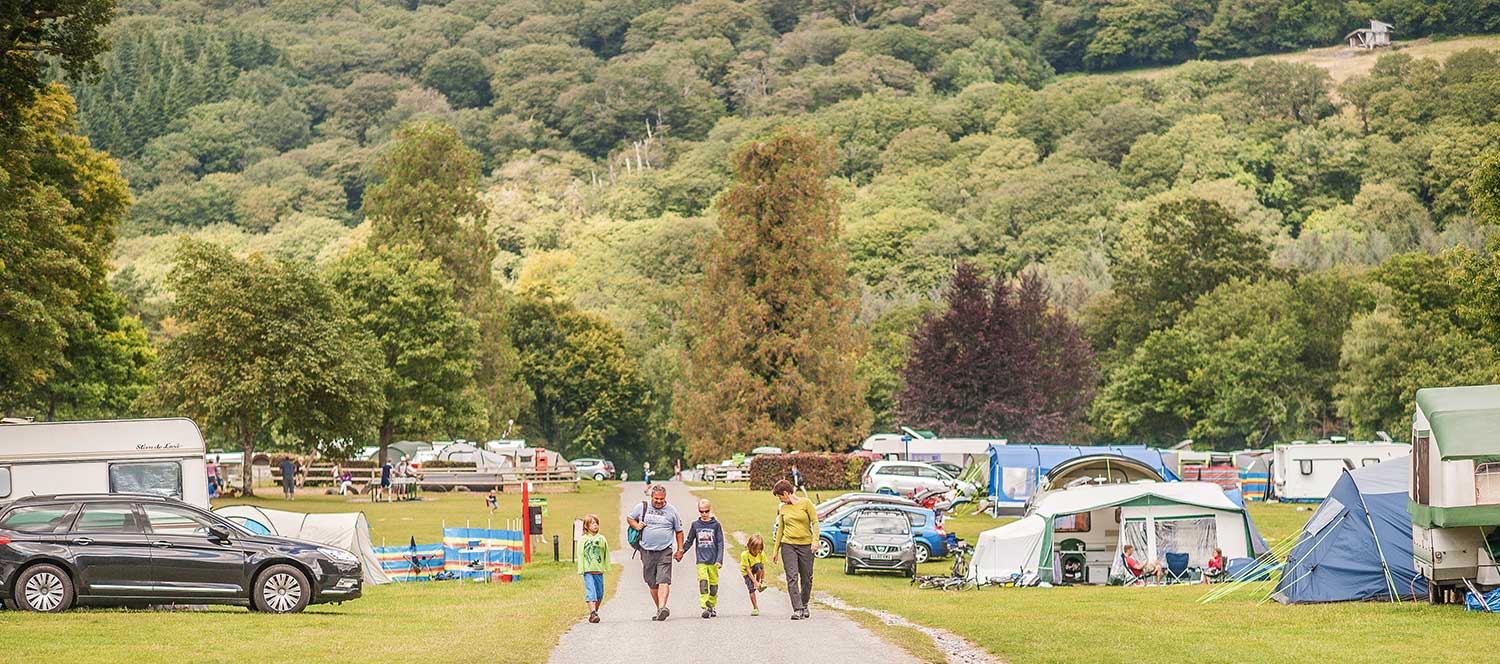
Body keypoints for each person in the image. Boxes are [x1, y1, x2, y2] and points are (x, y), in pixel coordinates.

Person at [626, 484, 684, 621]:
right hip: (646, 550)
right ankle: (659, 609)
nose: (659, 501)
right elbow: (630, 518)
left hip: (665, 550)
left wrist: (680, 549)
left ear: (665, 498)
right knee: (652, 582)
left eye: (662, 499)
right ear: (652, 496)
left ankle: (663, 607)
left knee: (664, 579)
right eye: (656, 498)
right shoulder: (642, 507)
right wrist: (636, 525)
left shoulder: (672, 511)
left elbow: (679, 531)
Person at [770, 479, 817, 620]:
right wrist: (775, 550)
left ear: (786, 493)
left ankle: (804, 603)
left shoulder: (806, 503)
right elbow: (780, 530)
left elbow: (815, 522)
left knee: (807, 578)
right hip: (788, 545)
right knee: (792, 577)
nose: (781, 500)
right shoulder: (783, 508)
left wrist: (815, 541)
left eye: (780, 496)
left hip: (806, 545)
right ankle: (797, 609)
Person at [677, 498, 725, 619]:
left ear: (710, 510)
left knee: (713, 586)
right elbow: (689, 541)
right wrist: (681, 551)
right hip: (701, 560)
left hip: (713, 561)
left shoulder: (716, 525)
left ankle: (711, 606)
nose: (704, 514)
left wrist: (719, 560)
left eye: (706, 511)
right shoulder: (695, 525)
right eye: (701, 511)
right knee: (703, 581)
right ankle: (705, 605)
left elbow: (720, 543)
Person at [577, 514, 609, 624]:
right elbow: (580, 554)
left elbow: (606, 553)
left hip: (598, 570)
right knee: (591, 592)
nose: (595, 525)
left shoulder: (602, 539)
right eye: (592, 523)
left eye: (596, 523)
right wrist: (581, 568)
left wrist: (606, 566)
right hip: (588, 571)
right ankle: (593, 613)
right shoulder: (583, 539)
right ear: (586, 526)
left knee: (599, 594)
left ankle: (595, 612)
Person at [740, 533, 768, 616]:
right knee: (751, 589)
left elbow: (762, 568)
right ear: (749, 547)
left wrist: (761, 581)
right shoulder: (745, 554)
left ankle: (758, 585)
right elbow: (748, 570)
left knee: (759, 566)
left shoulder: (761, 553)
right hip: (746, 572)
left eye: (759, 549)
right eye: (754, 549)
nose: (756, 552)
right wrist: (754, 582)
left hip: (755, 567)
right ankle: (755, 608)